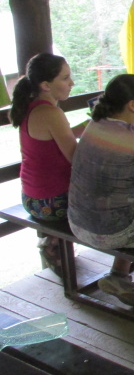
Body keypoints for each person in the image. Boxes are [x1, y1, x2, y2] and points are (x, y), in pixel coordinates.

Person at [67, 74, 134, 315]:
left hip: (77, 222)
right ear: (132, 105)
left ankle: (118, 276)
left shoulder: (94, 124)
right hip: (114, 232)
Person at [10, 53, 86, 276]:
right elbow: (76, 159)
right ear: (45, 85)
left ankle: (52, 243)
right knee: (115, 197)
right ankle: (121, 267)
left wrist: (84, 129)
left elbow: (51, 141)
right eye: (65, 78)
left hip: (31, 198)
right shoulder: (51, 112)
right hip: (53, 202)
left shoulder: (32, 107)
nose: (71, 83)